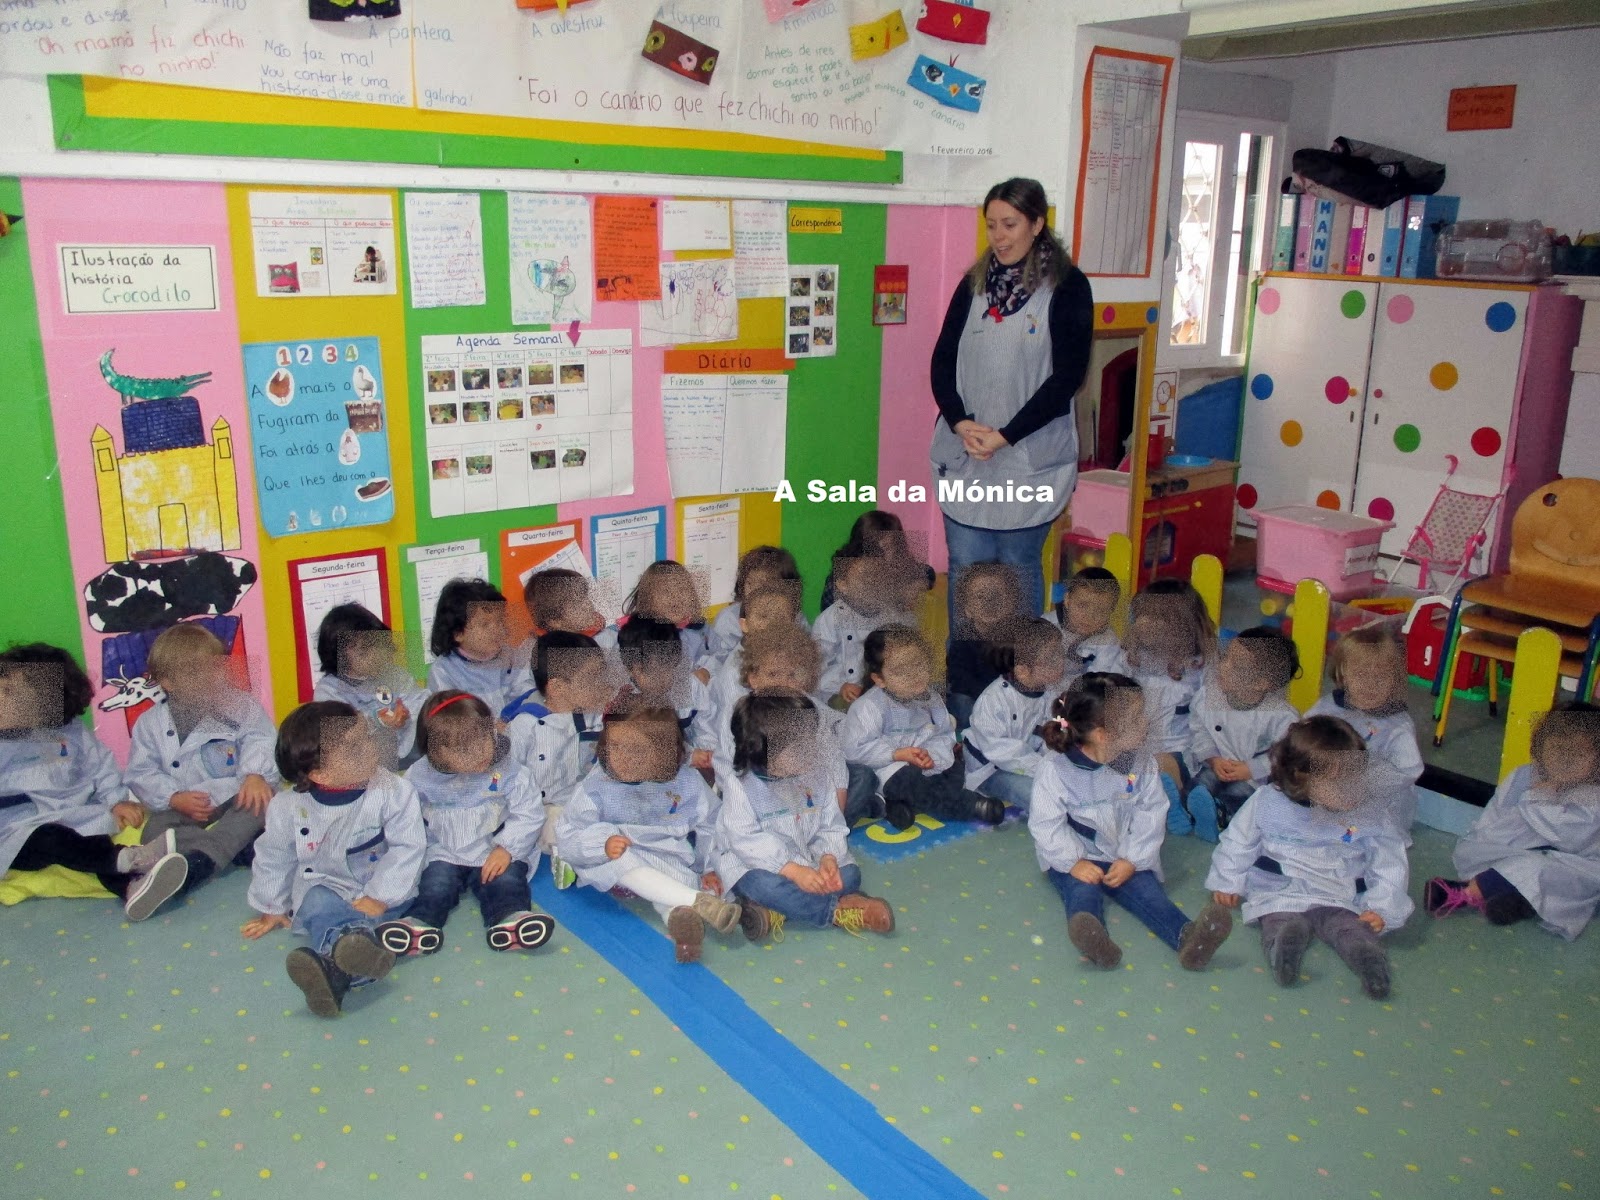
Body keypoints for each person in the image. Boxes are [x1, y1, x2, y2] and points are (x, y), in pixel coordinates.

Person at [930, 177, 1094, 620]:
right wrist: (959, 422)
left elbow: (1068, 378)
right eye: (991, 225)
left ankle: (1021, 662)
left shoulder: (1068, 287)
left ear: (1037, 224)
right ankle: (967, 668)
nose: (998, 237)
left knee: (1017, 569)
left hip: (1028, 458)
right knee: (967, 570)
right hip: (967, 454)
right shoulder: (972, 285)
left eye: (1010, 224)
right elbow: (942, 361)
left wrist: (1005, 435)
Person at [1030, 672, 1234, 971]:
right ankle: (1094, 940)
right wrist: (1072, 862)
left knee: (1150, 895)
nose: (1145, 723)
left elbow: (1151, 811)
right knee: (1082, 893)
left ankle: (1189, 938)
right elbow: (1046, 824)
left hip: (1123, 850)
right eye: (1136, 719)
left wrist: (1132, 859)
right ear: (1102, 734)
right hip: (1077, 852)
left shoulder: (1139, 762)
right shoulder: (1055, 769)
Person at [242, 701, 427, 1017]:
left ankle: (334, 968)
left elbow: (407, 848)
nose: (371, 746)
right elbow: (274, 856)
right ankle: (351, 962)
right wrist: (271, 905)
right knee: (318, 903)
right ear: (319, 773)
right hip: (325, 888)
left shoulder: (394, 790)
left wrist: (379, 896)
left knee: (371, 922)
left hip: (380, 891)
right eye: (355, 748)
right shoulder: (287, 808)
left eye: (367, 736)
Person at [1206, 716, 1411, 1000]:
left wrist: (1382, 907)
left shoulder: (1368, 811)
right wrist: (1228, 881)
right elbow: (1239, 841)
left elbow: (1389, 861)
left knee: (1350, 928)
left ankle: (1368, 960)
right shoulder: (1269, 802)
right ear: (1300, 779)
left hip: (1338, 889)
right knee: (1278, 919)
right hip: (1281, 886)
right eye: (1339, 784)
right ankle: (1283, 951)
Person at [0, 643, 186, 920]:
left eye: (9, 693)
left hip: (73, 815)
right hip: (15, 833)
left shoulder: (71, 733)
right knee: (51, 838)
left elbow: (100, 767)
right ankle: (131, 858)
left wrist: (116, 801)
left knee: (95, 839)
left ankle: (131, 888)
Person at [554, 703, 743, 963]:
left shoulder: (686, 781)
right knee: (622, 858)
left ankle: (681, 920)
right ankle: (699, 902)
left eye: (637, 750)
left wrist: (709, 867)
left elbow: (712, 823)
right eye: (615, 746)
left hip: (664, 854)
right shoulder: (598, 785)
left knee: (682, 881)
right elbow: (568, 832)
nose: (623, 757)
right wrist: (602, 845)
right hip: (609, 858)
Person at [385, 691, 554, 956]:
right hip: (443, 851)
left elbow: (529, 812)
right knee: (435, 885)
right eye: (465, 749)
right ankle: (419, 924)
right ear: (437, 752)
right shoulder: (419, 776)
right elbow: (403, 817)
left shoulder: (508, 770)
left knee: (507, 882)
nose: (481, 753)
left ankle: (511, 920)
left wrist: (507, 848)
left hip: (493, 849)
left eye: (485, 739)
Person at [717, 691, 893, 937]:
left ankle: (776, 911)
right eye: (799, 748)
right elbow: (745, 841)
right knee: (761, 885)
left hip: (808, 857)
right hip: (759, 865)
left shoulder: (817, 775)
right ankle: (836, 912)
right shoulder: (742, 787)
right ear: (762, 751)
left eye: (811, 741)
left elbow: (831, 825)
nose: (812, 751)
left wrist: (828, 857)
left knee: (850, 875)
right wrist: (792, 870)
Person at [124, 622, 278, 899]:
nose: (209, 678)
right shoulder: (149, 724)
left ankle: (200, 865)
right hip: (186, 804)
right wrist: (173, 797)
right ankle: (238, 849)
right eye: (195, 672)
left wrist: (255, 775)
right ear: (167, 682)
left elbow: (261, 739)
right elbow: (141, 772)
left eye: (215, 667)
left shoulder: (241, 706)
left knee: (259, 804)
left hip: (235, 794)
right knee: (154, 832)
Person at [1426, 703, 1600, 939]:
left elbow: (1571, 836)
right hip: (1519, 849)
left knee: (1534, 869)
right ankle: (1515, 901)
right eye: (1557, 748)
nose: (1565, 760)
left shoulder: (1593, 794)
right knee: (1499, 860)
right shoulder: (1523, 775)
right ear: (1541, 745)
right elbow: (1495, 815)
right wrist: (1485, 842)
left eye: (1578, 755)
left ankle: (1466, 893)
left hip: (1574, 863)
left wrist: (1541, 796)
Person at [840, 625, 1003, 831]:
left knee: (956, 768)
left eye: (918, 664)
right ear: (879, 679)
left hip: (926, 763)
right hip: (889, 769)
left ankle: (894, 806)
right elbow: (854, 750)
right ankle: (971, 806)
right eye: (901, 671)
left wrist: (930, 755)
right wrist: (897, 754)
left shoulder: (930, 698)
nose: (914, 675)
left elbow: (944, 733)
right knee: (909, 781)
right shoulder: (868, 707)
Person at [503, 632, 618, 875]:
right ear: (556, 687)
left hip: (584, 799)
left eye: (602, 675)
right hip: (542, 808)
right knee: (562, 828)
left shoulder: (595, 716)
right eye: (592, 679)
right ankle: (572, 858)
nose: (602, 685)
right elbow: (508, 776)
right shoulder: (526, 724)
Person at [1306, 625, 1423, 841]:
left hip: (1376, 798)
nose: (1371, 684)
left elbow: (1408, 770)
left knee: (1371, 835)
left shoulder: (1397, 724)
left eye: (1381, 676)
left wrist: (1359, 784)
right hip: (1327, 790)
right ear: (1342, 674)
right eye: (1361, 674)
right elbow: (1302, 742)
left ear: (1394, 679)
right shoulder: (1326, 708)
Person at [1185, 627, 1300, 843]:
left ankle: (1221, 815)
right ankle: (1192, 807)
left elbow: (1286, 755)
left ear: (1260, 683)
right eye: (1225, 657)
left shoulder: (1281, 717)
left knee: (1242, 797)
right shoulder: (1208, 697)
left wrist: (1252, 769)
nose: (1223, 666)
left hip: (1253, 779)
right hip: (1218, 765)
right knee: (1201, 782)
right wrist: (1213, 758)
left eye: (1235, 665)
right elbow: (1199, 730)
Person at [1119, 580, 1216, 833]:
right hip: (1134, 744)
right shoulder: (1130, 660)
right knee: (1121, 766)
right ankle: (1136, 802)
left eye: (1155, 618)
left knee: (1162, 765)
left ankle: (1175, 804)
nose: (1143, 623)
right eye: (1140, 616)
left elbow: (1209, 720)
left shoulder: (1199, 668)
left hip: (1177, 749)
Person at [963, 617, 1068, 813]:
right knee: (1038, 795)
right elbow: (1000, 751)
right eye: (1051, 659)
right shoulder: (993, 700)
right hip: (991, 770)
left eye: (1060, 652)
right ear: (1023, 671)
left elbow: (1052, 732)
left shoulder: (1050, 692)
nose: (1061, 662)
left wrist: (1058, 761)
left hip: (1032, 763)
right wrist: (1043, 768)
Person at [312, 603, 427, 765]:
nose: (375, 656)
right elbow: (340, 734)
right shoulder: (329, 690)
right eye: (363, 652)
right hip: (365, 765)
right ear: (339, 658)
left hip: (407, 753)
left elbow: (420, 701)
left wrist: (408, 713)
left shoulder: (393, 673)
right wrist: (377, 721)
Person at [814, 549, 920, 706]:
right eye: (863, 579)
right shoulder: (830, 619)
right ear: (843, 585)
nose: (871, 584)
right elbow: (816, 666)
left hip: (883, 688)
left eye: (877, 577)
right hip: (841, 692)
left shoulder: (893, 616)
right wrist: (840, 685)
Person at [616, 617, 717, 771]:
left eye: (666, 668)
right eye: (649, 672)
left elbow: (706, 722)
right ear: (629, 668)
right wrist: (689, 755)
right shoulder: (624, 702)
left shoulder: (690, 686)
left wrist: (706, 751)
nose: (659, 679)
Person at [426, 579, 531, 717]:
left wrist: (510, 721)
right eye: (485, 624)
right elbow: (450, 719)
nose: (496, 630)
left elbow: (527, 695)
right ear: (458, 633)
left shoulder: (511, 659)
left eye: (500, 620)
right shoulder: (443, 672)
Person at [944, 562, 1026, 730]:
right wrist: (987, 697)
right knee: (961, 701)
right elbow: (958, 676)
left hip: (1008, 698)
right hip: (975, 696)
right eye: (980, 597)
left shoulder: (1018, 634)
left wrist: (1004, 696)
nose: (989, 603)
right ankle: (967, 738)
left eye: (996, 595)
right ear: (967, 609)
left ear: (1011, 603)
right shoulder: (963, 636)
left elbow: (1023, 673)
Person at [704, 546, 805, 671]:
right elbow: (717, 662)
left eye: (763, 585)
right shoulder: (728, 619)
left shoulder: (795, 617)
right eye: (750, 583)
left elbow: (804, 654)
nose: (754, 591)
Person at [619, 562, 712, 674]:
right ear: (647, 599)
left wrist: (707, 670)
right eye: (666, 591)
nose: (675, 597)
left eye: (682, 590)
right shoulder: (631, 636)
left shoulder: (701, 630)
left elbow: (719, 658)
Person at [1055, 567, 1123, 677]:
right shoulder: (1049, 624)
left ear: (1111, 611)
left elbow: (1097, 680)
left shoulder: (1108, 642)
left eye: (1100, 610)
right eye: (1082, 606)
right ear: (1067, 600)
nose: (1089, 617)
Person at [523, 568, 606, 640]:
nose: (588, 604)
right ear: (555, 622)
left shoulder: (600, 632)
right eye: (575, 605)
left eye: (585, 596)